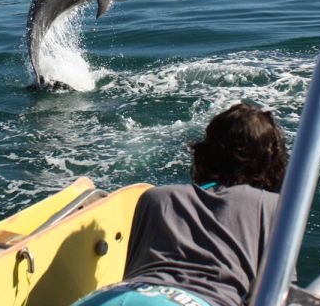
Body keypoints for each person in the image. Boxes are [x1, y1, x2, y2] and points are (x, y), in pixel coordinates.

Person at [73, 103, 288, 306]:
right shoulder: (273, 206)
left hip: (116, 296)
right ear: (271, 162)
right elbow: (278, 294)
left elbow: (135, 272)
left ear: (204, 152)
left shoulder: (155, 197)